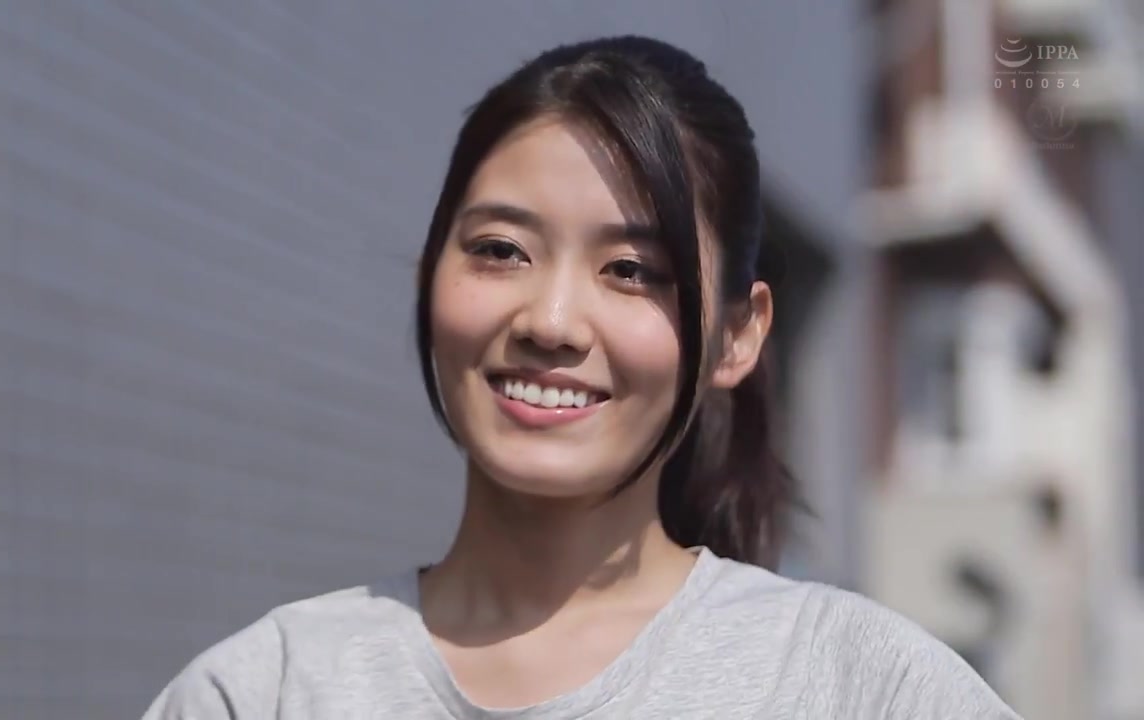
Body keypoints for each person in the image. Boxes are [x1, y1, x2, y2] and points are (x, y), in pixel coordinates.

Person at [142, 35, 1021, 719]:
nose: (551, 321)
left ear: (736, 336)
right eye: (500, 250)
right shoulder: (265, 691)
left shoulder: (857, 685)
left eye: (631, 270)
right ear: (429, 275)